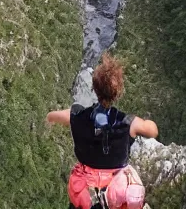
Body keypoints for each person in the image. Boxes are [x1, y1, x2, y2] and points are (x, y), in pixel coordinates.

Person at [46, 52, 158, 209]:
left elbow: (54, 116)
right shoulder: (128, 123)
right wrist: (146, 120)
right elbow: (152, 131)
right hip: (116, 194)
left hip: (86, 193)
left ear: (94, 89)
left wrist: (48, 119)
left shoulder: (76, 115)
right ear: (118, 93)